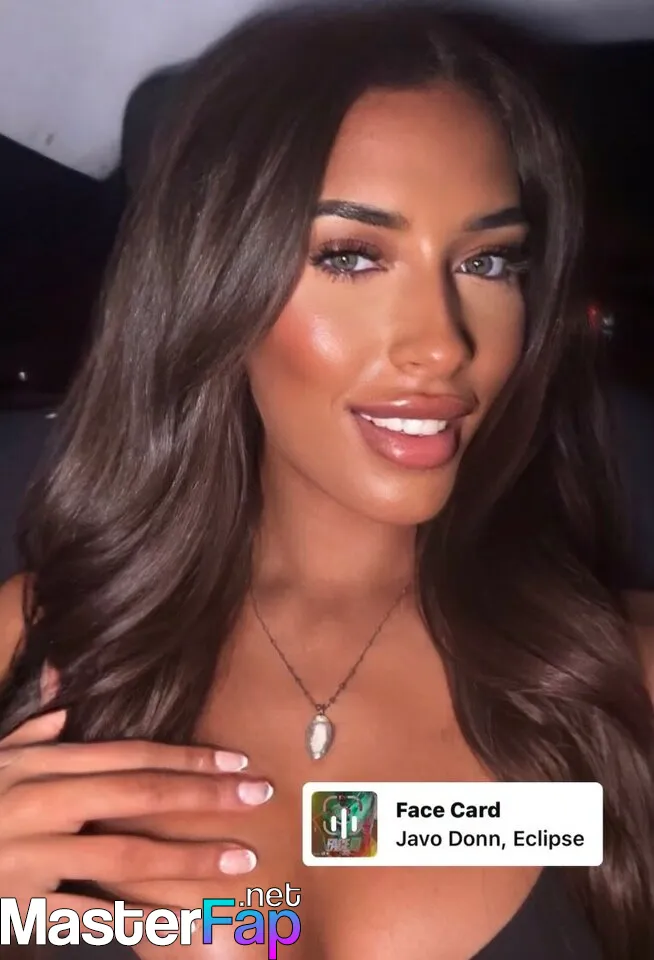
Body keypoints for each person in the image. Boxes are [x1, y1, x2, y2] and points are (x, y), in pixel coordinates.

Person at [0, 4, 652, 958]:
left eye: (487, 261)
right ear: (216, 286)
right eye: (352, 257)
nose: (442, 343)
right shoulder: (30, 651)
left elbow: (356, 832)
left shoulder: (621, 683)